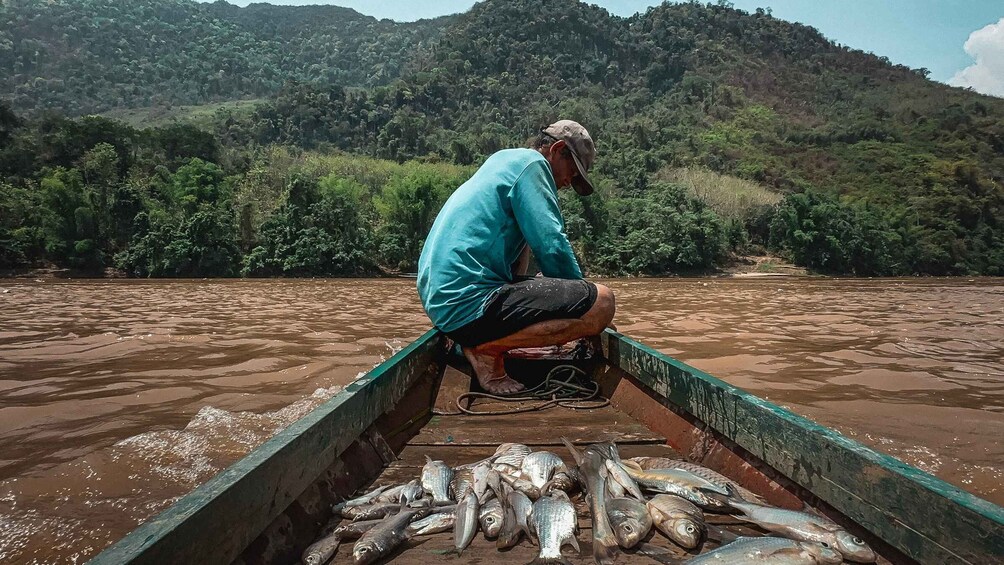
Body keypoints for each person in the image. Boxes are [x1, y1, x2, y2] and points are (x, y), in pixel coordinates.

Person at [417, 119, 616, 394]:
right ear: (557, 150)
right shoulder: (533, 165)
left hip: (445, 305)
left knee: (539, 280)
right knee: (603, 301)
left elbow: (517, 263)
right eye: (572, 171)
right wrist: (587, 307)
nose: (569, 183)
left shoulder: (504, 161)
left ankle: (486, 341)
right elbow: (552, 246)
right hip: (467, 302)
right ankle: (486, 350)